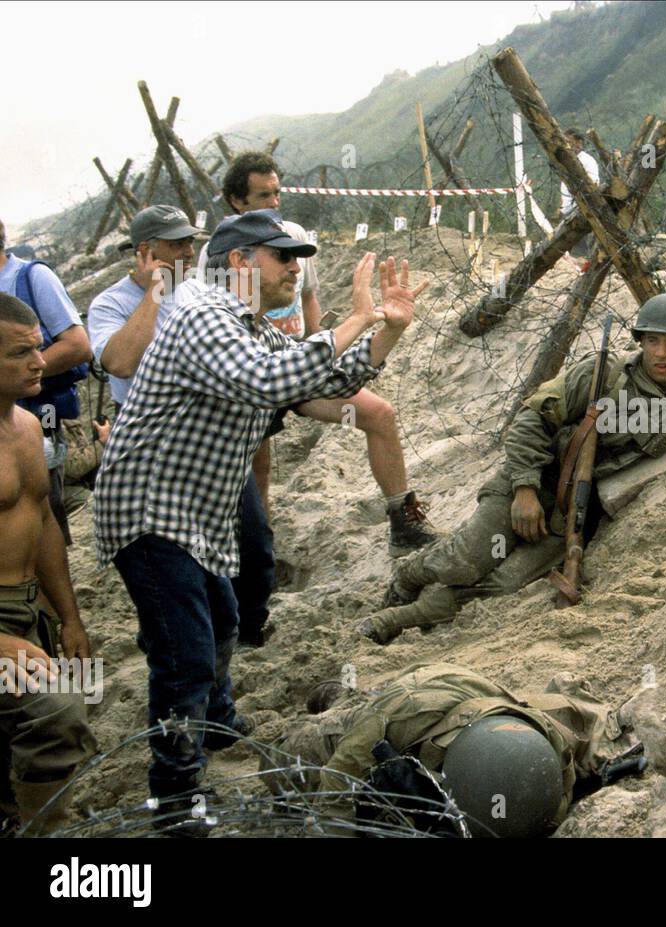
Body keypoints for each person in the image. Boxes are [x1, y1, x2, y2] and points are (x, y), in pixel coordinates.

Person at [93, 208, 427, 817]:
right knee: (184, 651)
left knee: (221, 615)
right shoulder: (200, 312)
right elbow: (274, 380)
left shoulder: (247, 322)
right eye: (285, 257)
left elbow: (319, 381)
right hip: (147, 505)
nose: (297, 270)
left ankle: (215, 724)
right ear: (242, 263)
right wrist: (355, 317)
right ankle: (174, 795)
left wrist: (388, 329)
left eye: (300, 258)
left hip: (193, 508)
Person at [359, 293, 666, 645]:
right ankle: (408, 576)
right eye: (652, 341)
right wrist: (523, 490)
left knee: (500, 586)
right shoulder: (601, 376)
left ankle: (398, 621)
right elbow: (531, 420)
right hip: (534, 480)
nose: (661, 353)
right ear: (641, 342)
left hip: (575, 512)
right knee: (465, 559)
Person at [200, 153, 435, 555]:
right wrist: (353, 326)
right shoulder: (221, 255)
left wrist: (329, 343)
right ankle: (258, 553)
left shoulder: (291, 234)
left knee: (379, 413)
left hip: (298, 357)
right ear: (237, 201)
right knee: (257, 466)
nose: (274, 201)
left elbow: (310, 298)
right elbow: (248, 358)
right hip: (250, 376)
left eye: (277, 192)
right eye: (263, 194)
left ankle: (402, 519)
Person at [88, 205, 278, 649]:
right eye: (176, 243)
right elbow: (119, 361)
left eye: (191, 241)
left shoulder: (198, 292)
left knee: (252, 539)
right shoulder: (110, 304)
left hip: (208, 437)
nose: (189, 250)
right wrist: (154, 293)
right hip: (151, 448)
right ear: (144, 252)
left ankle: (247, 632)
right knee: (174, 562)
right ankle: (178, 641)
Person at [271, 662, 633, 838]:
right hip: (404, 707)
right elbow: (333, 796)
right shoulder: (397, 720)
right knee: (280, 761)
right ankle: (334, 695)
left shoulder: (548, 749)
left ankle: (345, 694)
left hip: (453, 700)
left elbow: (603, 729)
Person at [0, 293, 97, 835]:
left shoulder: (28, 427)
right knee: (57, 711)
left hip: (27, 608)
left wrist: (69, 616)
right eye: (21, 353)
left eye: (38, 348)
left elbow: (42, 527)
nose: (41, 362)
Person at [0, 218, 93, 546]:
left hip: (42, 416)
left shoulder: (31, 277)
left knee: (42, 514)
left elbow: (78, 345)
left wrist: (12, 376)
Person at [558, 129, 603, 262]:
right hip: (566, 209)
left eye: (569, 142)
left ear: (579, 143)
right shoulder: (565, 160)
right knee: (565, 245)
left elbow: (593, 185)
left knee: (579, 249)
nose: (567, 145)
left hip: (580, 210)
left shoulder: (587, 161)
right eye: (564, 142)